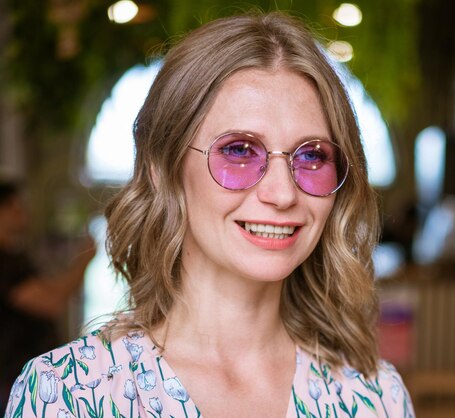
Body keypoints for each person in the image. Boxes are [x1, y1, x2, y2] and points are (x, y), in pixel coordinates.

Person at [4, 12, 415, 418]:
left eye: (312, 155)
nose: (282, 193)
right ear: (163, 168)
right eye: (238, 150)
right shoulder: (67, 394)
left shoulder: (375, 395)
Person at [0, 180, 95, 412]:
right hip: (10, 380)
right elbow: (49, 302)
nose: (23, 213)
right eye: (14, 206)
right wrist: (83, 262)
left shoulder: (16, 256)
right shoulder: (3, 263)